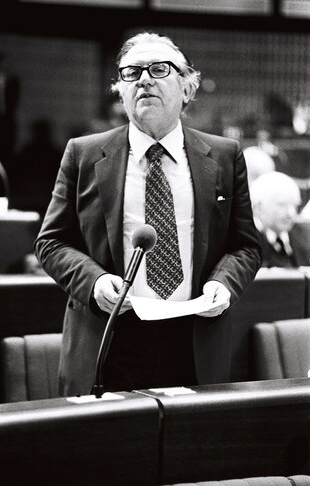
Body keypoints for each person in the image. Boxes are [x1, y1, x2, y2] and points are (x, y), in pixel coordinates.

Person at [35, 31, 262, 396]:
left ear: (187, 88)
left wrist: (224, 283)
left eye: (159, 69)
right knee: (109, 450)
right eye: (131, 72)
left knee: (192, 450)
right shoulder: (84, 154)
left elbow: (246, 246)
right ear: (120, 92)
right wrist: (94, 282)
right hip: (109, 337)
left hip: (193, 338)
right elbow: (51, 243)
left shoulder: (224, 156)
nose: (144, 79)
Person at [249, 171, 309, 267]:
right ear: (258, 207)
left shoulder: (306, 235)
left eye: (295, 206)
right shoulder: (241, 241)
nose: (291, 213)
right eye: (282, 205)